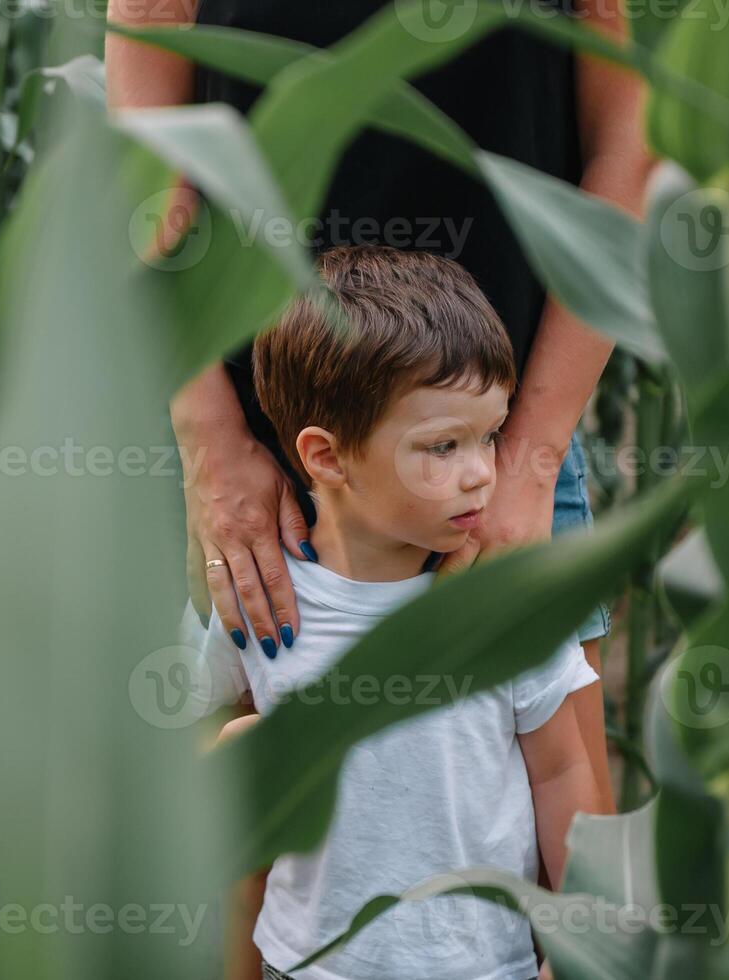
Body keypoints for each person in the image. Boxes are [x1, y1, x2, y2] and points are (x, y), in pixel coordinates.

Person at [107, 0, 651, 817]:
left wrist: (533, 456)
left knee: (561, 858)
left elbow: (625, 147)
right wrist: (211, 443)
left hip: (503, 456)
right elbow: (146, 171)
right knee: (247, 862)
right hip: (264, 471)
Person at [193, 245, 603, 980]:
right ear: (325, 457)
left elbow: (562, 772)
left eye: (491, 435)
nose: (482, 472)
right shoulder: (262, 603)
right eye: (442, 447)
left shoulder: (504, 610)